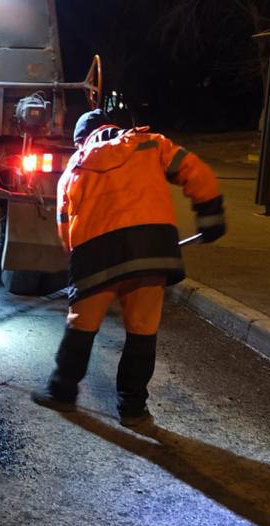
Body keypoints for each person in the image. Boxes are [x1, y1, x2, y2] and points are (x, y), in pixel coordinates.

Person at [32, 109, 225, 427]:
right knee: (142, 331)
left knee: (81, 326)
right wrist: (211, 213)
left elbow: (65, 226)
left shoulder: (76, 165)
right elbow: (194, 170)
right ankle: (133, 409)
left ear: (81, 139)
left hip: (95, 257)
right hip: (151, 249)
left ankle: (62, 392)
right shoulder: (150, 143)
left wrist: (77, 269)